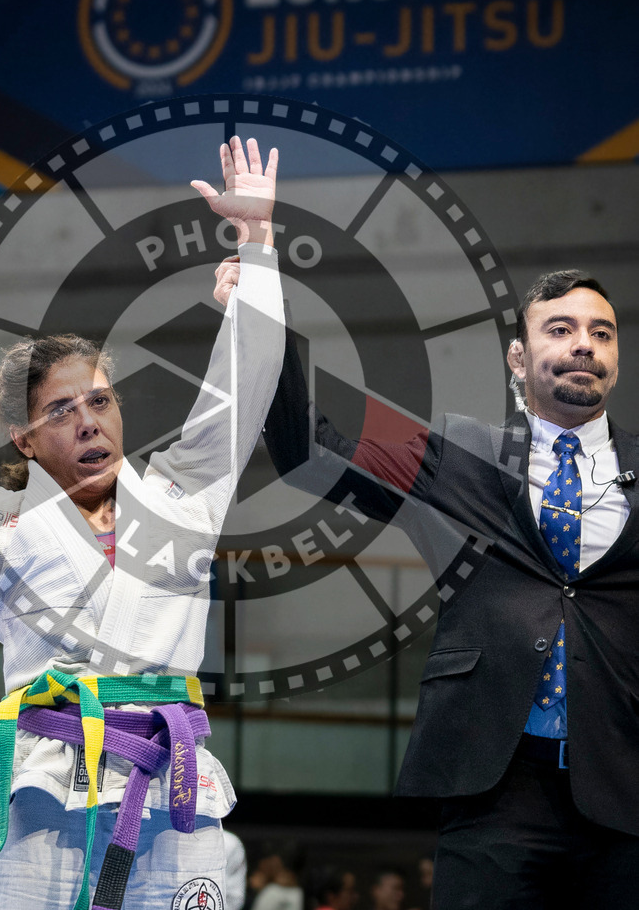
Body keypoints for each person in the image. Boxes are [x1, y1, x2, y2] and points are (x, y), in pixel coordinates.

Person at [0, 137, 284, 910]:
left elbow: (240, 391)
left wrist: (258, 247)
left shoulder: (185, 496)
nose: (88, 421)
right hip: (42, 797)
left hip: (171, 794)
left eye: (100, 401)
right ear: (23, 437)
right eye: (60, 410)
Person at [216, 265, 639, 909]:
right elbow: (309, 449)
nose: (584, 343)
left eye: (601, 333)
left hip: (624, 786)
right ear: (518, 359)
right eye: (561, 328)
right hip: (495, 785)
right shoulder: (458, 452)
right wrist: (261, 312)